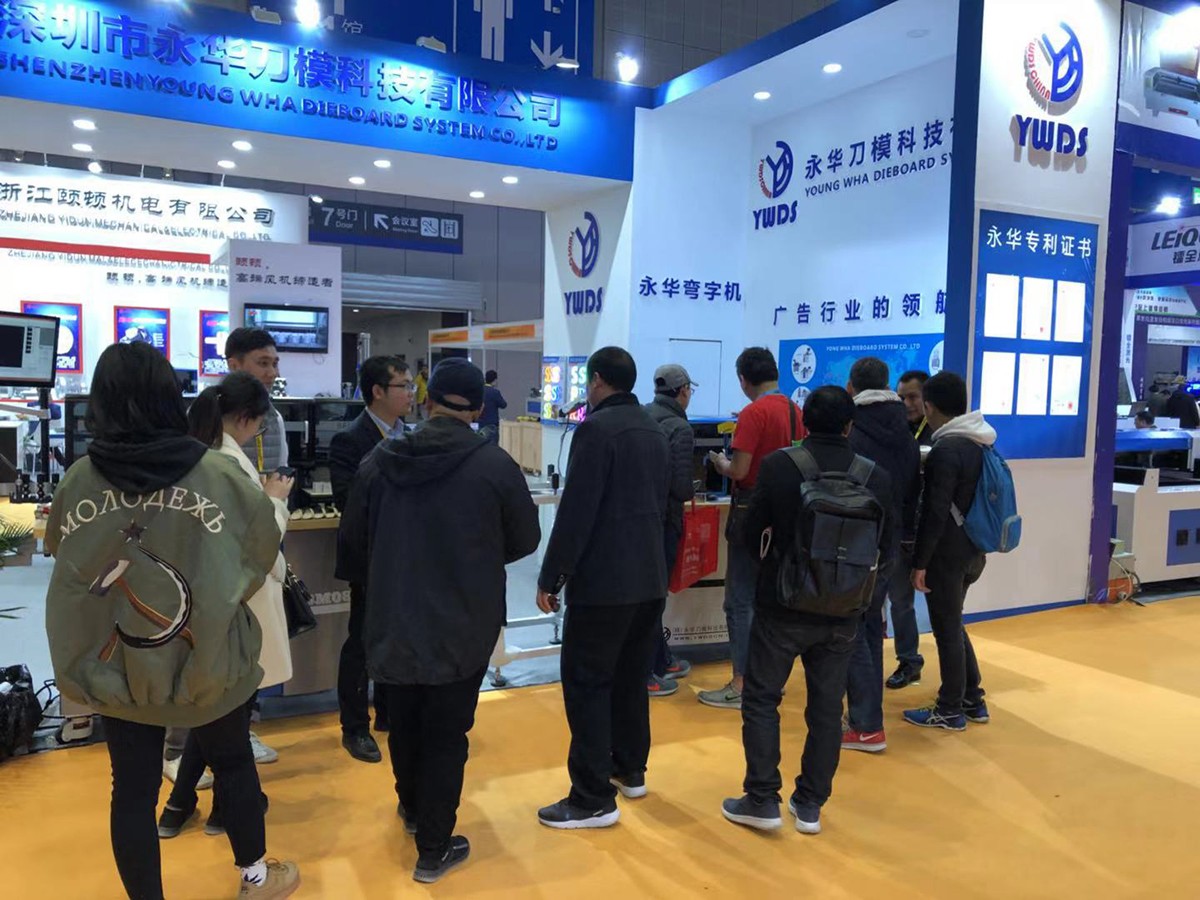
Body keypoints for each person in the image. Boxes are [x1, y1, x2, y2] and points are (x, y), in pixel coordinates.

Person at [45, 342, 299, 899]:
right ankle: (256, 879)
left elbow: (63, 555)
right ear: (169, 398)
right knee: (233, 762)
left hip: (119, 665)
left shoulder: (79, 480)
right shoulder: (217, 473)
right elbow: (260, 554)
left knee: (132, 791)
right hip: (207, 655)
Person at [340, 358, 539, 883]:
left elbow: (353, 544)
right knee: (448, 732)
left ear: (428, 401)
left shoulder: (379, 461)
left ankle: (412, 808)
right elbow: (525, 538)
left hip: (394, 614)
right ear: (477, 407)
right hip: (464, 619)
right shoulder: (494, 465)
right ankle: (433, 846)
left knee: (403, 721)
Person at [721, 386, 893, 835]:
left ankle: (762, 799)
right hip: (844, 611)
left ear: (805, 424)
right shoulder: (874, 476)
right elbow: (888, 547)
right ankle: (811, 803)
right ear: (850, 426)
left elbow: (750, 533)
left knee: (762, 698)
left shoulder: (781, 466)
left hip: (782, 604)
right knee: (826, 707)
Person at [535, 347, 670, 829]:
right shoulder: (654, 429)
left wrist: (552, 576)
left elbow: (577, 511)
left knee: (588, 683)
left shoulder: (596, 431)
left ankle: (592, 797)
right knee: (630, 677)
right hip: (649, 578)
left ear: (595, 382)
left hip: (605, 582)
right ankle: (629, 768)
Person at [157, 372, 295, 841]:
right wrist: (275, 500)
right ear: (245, 418)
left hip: (205, 601)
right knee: (229, 716)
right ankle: (232, 815)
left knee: (216, 710)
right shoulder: (229, 466)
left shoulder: (196, 456)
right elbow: (258, 541)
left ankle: (180, 806)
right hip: (240, 604)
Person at [700, 348, 806, 710]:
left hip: (751, 514)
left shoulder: (752, 413)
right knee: (769, 601)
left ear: (744, 380)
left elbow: (740, 471)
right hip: (786, 515)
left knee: (739, 600)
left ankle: (741, 682)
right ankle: (767, 678)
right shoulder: (795, 411)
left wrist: (720, 461)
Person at [330, 356, 414, 764]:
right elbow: (347, 501)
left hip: (406, 557)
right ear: (378, 391)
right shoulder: (350, 440)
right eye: (403, 386)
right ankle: (354, 727)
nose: (411, 393)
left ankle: (389, 712)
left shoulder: (412, 436)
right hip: (370, 557)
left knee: (399, 636)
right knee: (362, 641)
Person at [903, 371, 992, 731]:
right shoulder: (979, 442)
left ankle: (950, 708)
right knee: (954, 622)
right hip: (974, 548)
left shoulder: (946, 449)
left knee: (946, 629)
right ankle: (973, 698)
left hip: (946, 554)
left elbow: (935, 511)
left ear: (929, 407)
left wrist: (920, 562)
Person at [842, 359, 919, 753]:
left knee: (851, 630)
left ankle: (867, 724)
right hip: (890, 542)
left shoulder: (851, 430)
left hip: (854, 541)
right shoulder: (906, 432)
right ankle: (866, 716)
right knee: (871, 625)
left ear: (851, 386)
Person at [224, 326, 285, 765]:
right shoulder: (208, 417)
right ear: (234, 364)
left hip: (264, 541)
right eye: (263, 362)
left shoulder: (274, 418)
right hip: (223, 550)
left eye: (275, 363)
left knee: (254, 644)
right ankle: (187, 746)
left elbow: (279, 474)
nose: (272, 371)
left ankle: (243, 729)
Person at [643, 364, 698, 697]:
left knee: (647, 596)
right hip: (665, 521)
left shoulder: (643, 415)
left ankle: (661, 660)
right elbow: (681, 487)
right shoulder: (680, 427)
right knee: (654, 599)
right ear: (683, 391)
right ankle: (647, 671)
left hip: (640, 519)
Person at [887, 369, 932, 690]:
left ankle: (963, 682)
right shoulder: (895, 432)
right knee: (899, 601)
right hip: (901, 530)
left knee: (945, 612)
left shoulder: (940, 434)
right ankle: (909, 661)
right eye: (901, 397)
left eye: (913, 397)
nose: (906, 403)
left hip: (933, 533)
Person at [479, 369, 508, 444]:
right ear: (494, 380)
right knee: (492, 446)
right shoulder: (495, 392)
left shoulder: (480, 391)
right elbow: (503, 405)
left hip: (480, 423)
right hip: (491, 424)